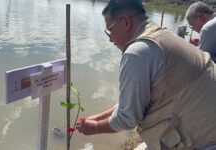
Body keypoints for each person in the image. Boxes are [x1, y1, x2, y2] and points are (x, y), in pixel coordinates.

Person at [76, 0, 216, 149]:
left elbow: (127, 119)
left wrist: (94, 128)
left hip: (207, 140)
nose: (110, 39)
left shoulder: (137, 52)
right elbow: (132, 103)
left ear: (125, 22)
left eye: (110, 30)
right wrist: (96, 119)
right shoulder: (160, 34)